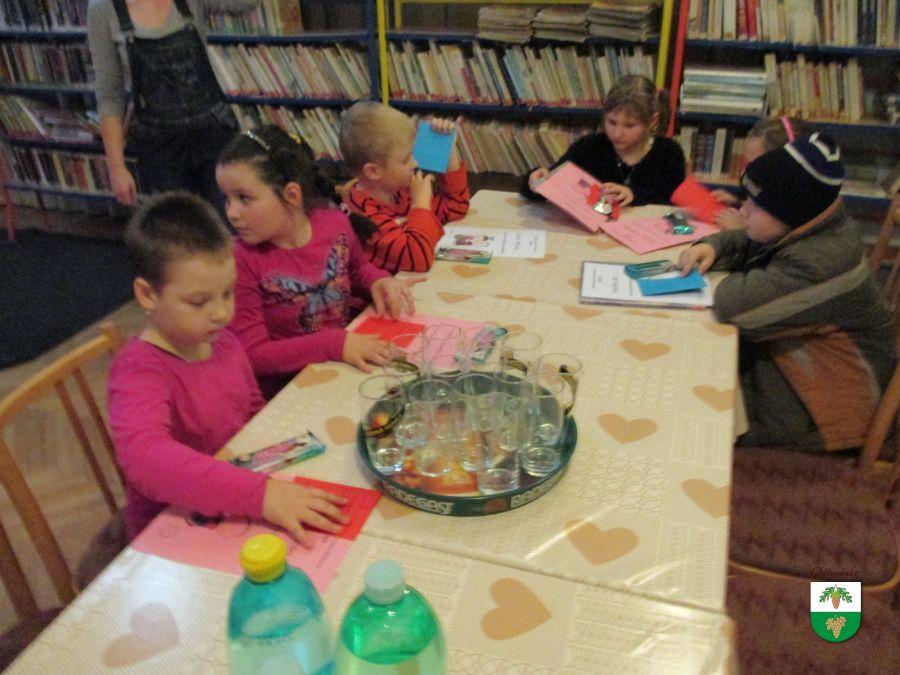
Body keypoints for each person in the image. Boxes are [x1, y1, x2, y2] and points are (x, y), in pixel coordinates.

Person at [108, 191, 349, 544]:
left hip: (236, 499)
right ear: (147, 295)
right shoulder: (138, 371)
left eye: (227, 293)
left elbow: (253, 415)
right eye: (199, 301)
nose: (222, 313)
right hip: (171, 530)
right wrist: (262, 495)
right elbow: (145, 459)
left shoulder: (223, 340)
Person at [677, 133, 895, 451]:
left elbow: (733, 306)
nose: (743, 211)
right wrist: (714, 245)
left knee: (692, 411)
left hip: (825, 410)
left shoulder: (819, 263)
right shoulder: (812, 226)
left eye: (755, 204)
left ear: (792, 212)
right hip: (793, 371)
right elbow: (755, 239)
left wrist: (725, 258)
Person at [217, 125, 417, 397]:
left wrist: (378, 281)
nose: (231, 213)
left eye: (244, 198)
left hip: (345, 363)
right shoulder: (239, 261)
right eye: (226, 199)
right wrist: (332, 344)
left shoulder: (334, 223)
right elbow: (253, 355)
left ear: (291, 195)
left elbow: (358, 270)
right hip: (290, 391)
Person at [87, 0, 259, 207]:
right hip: (159, 152)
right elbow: (109, 95)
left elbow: (245, 4)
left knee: (227, 220)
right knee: (176, 223)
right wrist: (117, 169)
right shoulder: (103, 8)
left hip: (214, 136)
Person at [340, 102, 470, 273]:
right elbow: (418, 258)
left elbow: (456, 207)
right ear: (373, 171)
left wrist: (448, 150)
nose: (415, 163)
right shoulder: (363, 215)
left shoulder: (399, 191)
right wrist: (421, 206)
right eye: (406, 160)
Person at [521, 75, 685, 207]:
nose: (617, 133)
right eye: (612, 122)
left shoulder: (669, 153)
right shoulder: (589, 147)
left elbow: (673, 203)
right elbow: (551, 184)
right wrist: (534, 182)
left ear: (652, 121)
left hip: (641, 233)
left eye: (629, 125)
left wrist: (634, 194)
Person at [711, 116, 813, 230]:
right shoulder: (777, 190)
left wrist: (739, 231)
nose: (746, 172)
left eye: (754, 165)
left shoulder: (797, 209)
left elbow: (774, 237)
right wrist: (737, 203)